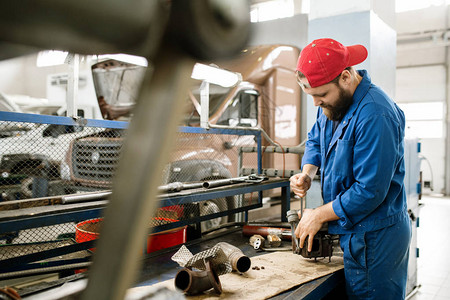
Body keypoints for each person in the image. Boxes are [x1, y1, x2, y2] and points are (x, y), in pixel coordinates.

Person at [290, 38, 411, 299]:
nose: (316, 104)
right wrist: (307, 173)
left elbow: (370, 190)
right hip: (354, 233)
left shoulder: (376, 115)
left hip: (376, 240)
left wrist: (319, 214)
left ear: (345, 77)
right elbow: (315, 138)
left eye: (321, 95)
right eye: (311, 96)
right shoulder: (334, 103)